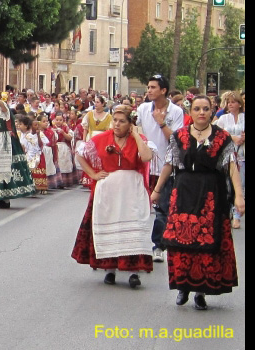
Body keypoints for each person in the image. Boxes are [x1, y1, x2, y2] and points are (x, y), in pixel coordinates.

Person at [151, 96, 245, 310]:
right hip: (184, 191)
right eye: (197, 109)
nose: (201, 112)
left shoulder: (223, 137)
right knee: (181, 242)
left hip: (212, 193)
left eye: (205, 109)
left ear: (212, 111)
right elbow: (169, 164)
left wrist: (239, 196)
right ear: (190, 112)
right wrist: (157, 190)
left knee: (207, 244)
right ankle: (183, 286)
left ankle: (201, 291)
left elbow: (231, 168)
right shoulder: (179, 136)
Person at [71, 105, 155, 288]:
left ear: (130, 123)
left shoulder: (139, 140)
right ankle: (109, 269)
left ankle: (134, 271)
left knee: (133, 227)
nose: (117, 124)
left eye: (122, 121)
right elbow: (79, 154)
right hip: (108, 190)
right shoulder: (101, 139)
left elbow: (147, 157)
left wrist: (135, 136)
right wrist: (92, 174)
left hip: (132, 190)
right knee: (109, 224)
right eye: (115, 120)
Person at [136, 74, 184, 263]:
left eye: (153, 87)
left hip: (166, 165)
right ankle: (137, 246)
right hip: (144, 165)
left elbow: (178, 139)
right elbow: (137, 131)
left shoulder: (176, 111)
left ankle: (158, 245)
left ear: (163, 90)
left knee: (162, 209)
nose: (149, 91)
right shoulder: (142, 109)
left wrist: (161, 123)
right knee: (140, 208)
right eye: (148, 87)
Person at [0, 92, 36, 208]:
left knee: (5, 168)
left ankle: (6, 198)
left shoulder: (5, 110)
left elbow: (3, 105)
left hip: (5, 141)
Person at [215, 92, 245, 229]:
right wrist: (231, 137)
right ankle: (227, 210)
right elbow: (214, 131)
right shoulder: (223, 119)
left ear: (239, 104)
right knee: (227, 184)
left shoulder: (244, 118)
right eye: (228, 102)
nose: (230, 105)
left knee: (241, 184)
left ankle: (237, 215)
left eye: (233, 102)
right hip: (227, 155)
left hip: (242, 154)